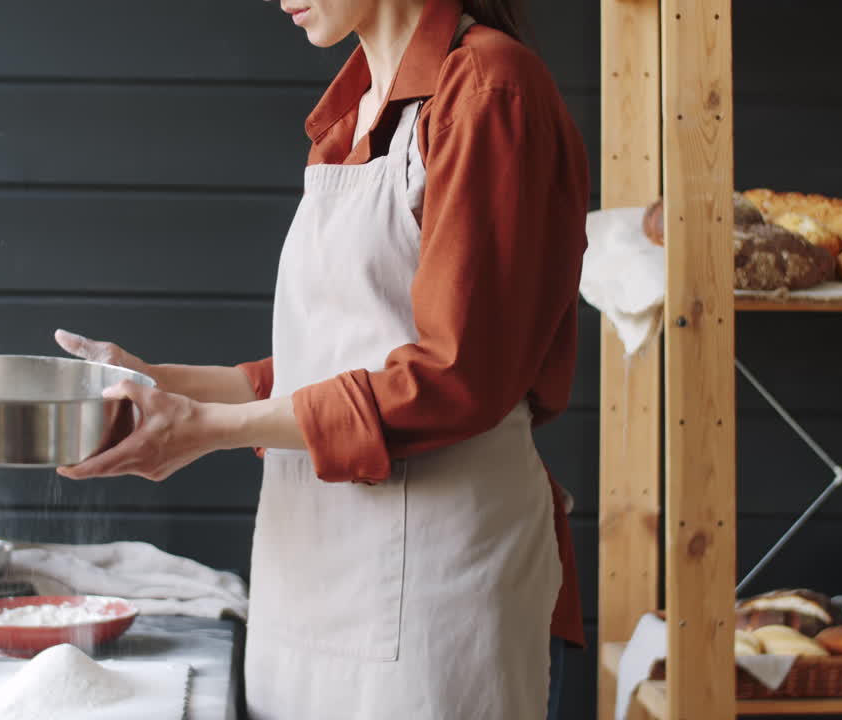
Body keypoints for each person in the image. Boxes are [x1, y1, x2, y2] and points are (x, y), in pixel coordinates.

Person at [53, 0, 588, 716]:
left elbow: (455, 375)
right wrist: (152, 383)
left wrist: (206, 429)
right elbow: (334, 365)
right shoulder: (353, 113)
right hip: (308, 579)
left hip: (436, 596)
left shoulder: (490, 88)